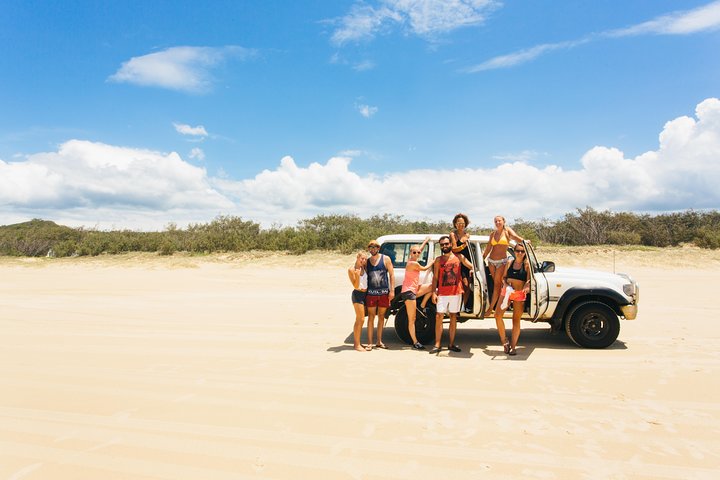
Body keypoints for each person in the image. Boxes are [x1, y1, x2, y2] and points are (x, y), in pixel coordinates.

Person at [429, 235, 473, 354]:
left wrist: (472, 269)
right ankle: (437, 344)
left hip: (456, 292)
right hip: (442, 293)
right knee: (439, 316)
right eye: (442, 244)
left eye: (446, 244)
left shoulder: (459, 257)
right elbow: (435, 278)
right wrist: (434, 292)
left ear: (450, 244)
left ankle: (451, 344)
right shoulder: (438, 260)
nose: (444, 246)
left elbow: (471, 265)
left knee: (453, 317)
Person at [482, 215, 525, 317]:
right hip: (491, 261)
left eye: (499, 221)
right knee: (496, 284)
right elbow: (488, 248)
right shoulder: (492, 234)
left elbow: (515, 237)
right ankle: (498, 305)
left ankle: (491, 308)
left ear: (503, 221)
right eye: (495, 221)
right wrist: (480, 260)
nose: (497, 223)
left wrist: (524, 241)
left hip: (502, 262)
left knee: (497, 285)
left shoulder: (507, 231)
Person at [494, 244, 531, 356]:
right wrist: (505, 284)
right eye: (518, 251)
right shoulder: (510, 263)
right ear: (514, 251)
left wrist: (526, 287)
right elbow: (503, 277)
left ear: (525, 253)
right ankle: (505, 341)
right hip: (507, 291)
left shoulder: (527, 265)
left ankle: (513, 347)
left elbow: (529, 280)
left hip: (519, 293)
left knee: (516, 320)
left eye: (522, 251)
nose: (520, 253)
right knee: (497, 315)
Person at [399, 237, 434, 350]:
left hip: (413, 289)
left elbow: (420, 249)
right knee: (412, 319)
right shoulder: (413, 263)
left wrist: (425, 241)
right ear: (411, 253)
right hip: (409, 292)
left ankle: (422, 305)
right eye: (414, 252)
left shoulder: (413, 258)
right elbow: (424, 268)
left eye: (418, 252)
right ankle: (415, 342)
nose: (417, 254)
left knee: (432, 286)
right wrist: (433, 262)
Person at [365, 239, 395, 349]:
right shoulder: (367, 262)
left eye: (375, 247)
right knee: (371, 317)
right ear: (369, 249)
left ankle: (379, 341)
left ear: (378, 248)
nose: (373, 249)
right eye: (371, 247)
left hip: (383, 293)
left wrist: (392, 291)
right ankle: (369, 343)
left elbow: (391, 275)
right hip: (371, 293)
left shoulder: (385, 259)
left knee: (381, 317)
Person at [347, 251, 371, 352]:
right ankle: (356, 344)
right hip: (357, 295)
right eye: (362, 259)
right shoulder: (351, 270)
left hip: (365, 295)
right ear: (357, 257)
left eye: (365, 259)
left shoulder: (364, 268)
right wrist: (357, 276)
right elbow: (356, 286)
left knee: (360, 319)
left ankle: (358, 343)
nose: (364, 261)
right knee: (360, 319)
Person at [450, 213, 473, 312]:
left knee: (467, 286)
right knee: (459, 286)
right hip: (456, 263)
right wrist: (464, 245)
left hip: (467, 263)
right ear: (455, 224)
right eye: (458, 223)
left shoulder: (467, 235)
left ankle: (463, 306)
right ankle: (456, 306)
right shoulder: (453, 234)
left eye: (463, 223)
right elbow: (454, 249)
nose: (461, 225)